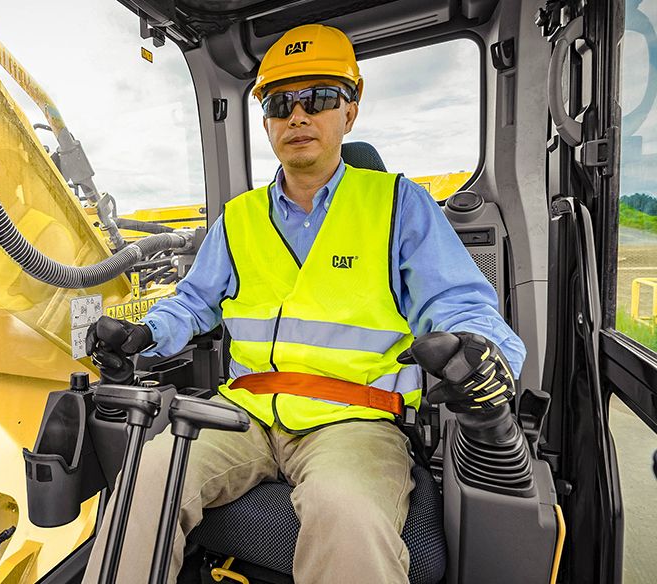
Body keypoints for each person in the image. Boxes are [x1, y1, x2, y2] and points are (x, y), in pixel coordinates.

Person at [84, 23, 525, 583]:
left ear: (350, 110)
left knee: (347, 513)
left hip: (355, 420)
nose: (297, 116)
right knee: (147, 480)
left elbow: (458, 303)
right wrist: (146, 333)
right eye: (278, 103)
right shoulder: (237, 219)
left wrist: (484, 354)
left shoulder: (397, 205)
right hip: (240, 413)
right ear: (266, 121)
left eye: (317, 98)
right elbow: (194, 303)